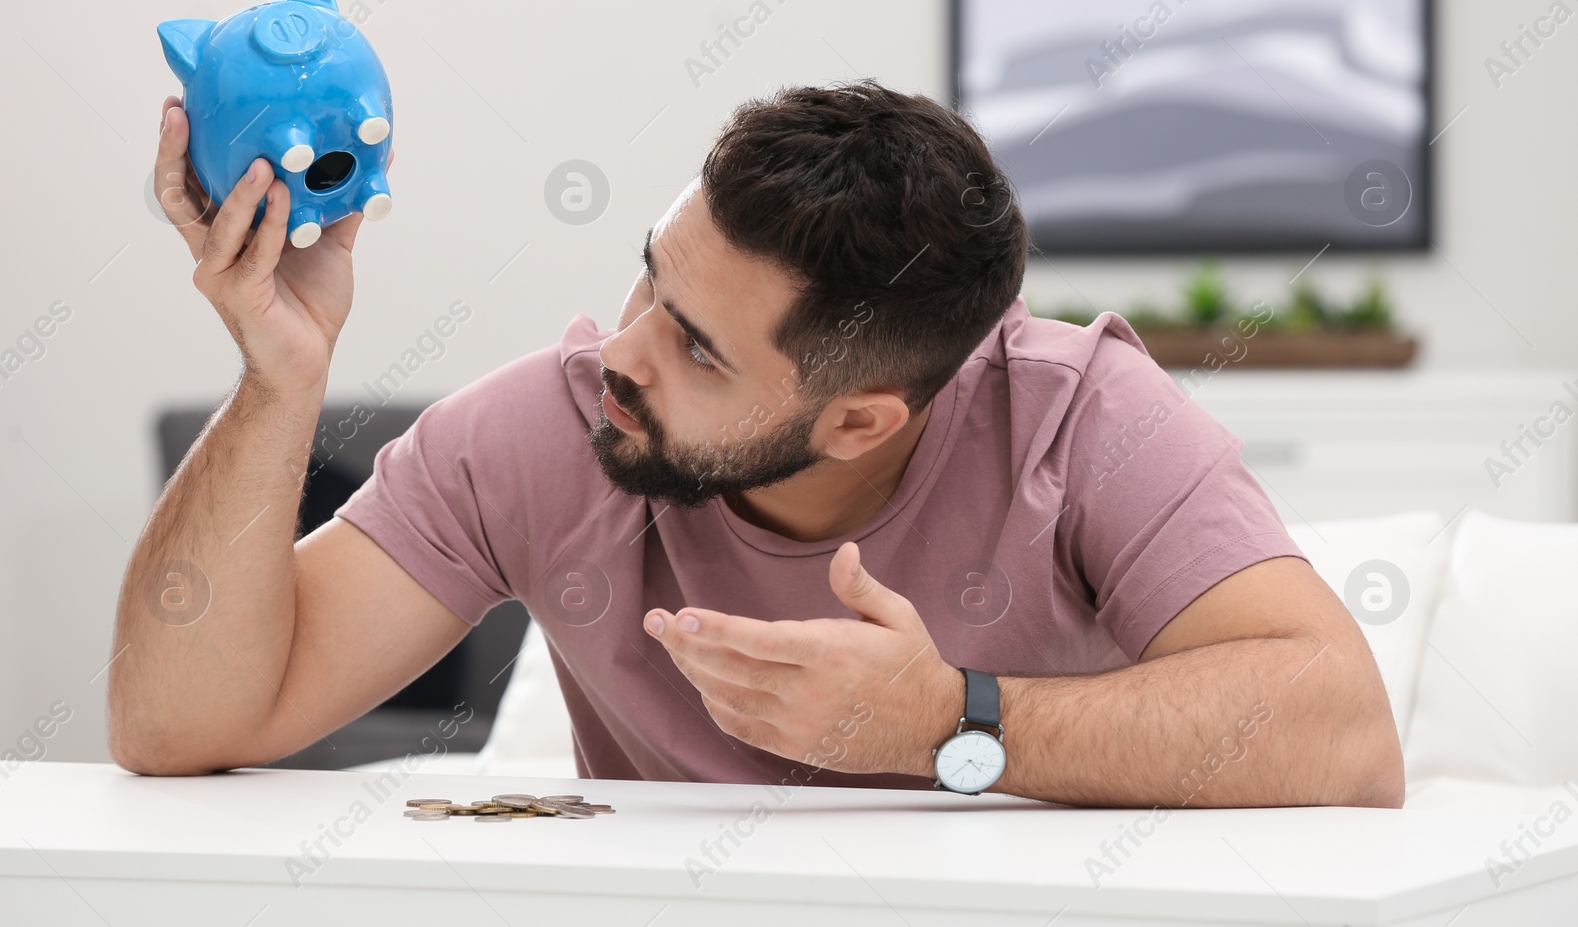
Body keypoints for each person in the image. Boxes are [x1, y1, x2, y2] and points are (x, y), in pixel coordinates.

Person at [110, 81, 1403, 808]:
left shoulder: (1086, 421)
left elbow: (1346, 738)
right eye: (648, 284)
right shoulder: (560, 422)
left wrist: (955, 722)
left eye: (701, 348)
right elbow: (177, 730)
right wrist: (281, 376)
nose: (624, 354)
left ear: (861, 420)